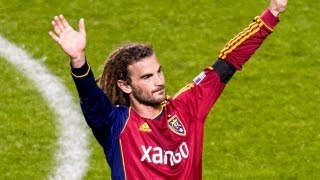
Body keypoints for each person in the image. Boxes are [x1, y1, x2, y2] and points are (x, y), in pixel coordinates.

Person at [49, 0, 287, 179]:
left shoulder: (187, 107)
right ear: (125, 85)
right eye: (147, 77)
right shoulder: (115, 124)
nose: (159, 81)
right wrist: (78, 59)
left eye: (159, 71)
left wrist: (271, 14)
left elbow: (227, 63)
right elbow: (90, 96)